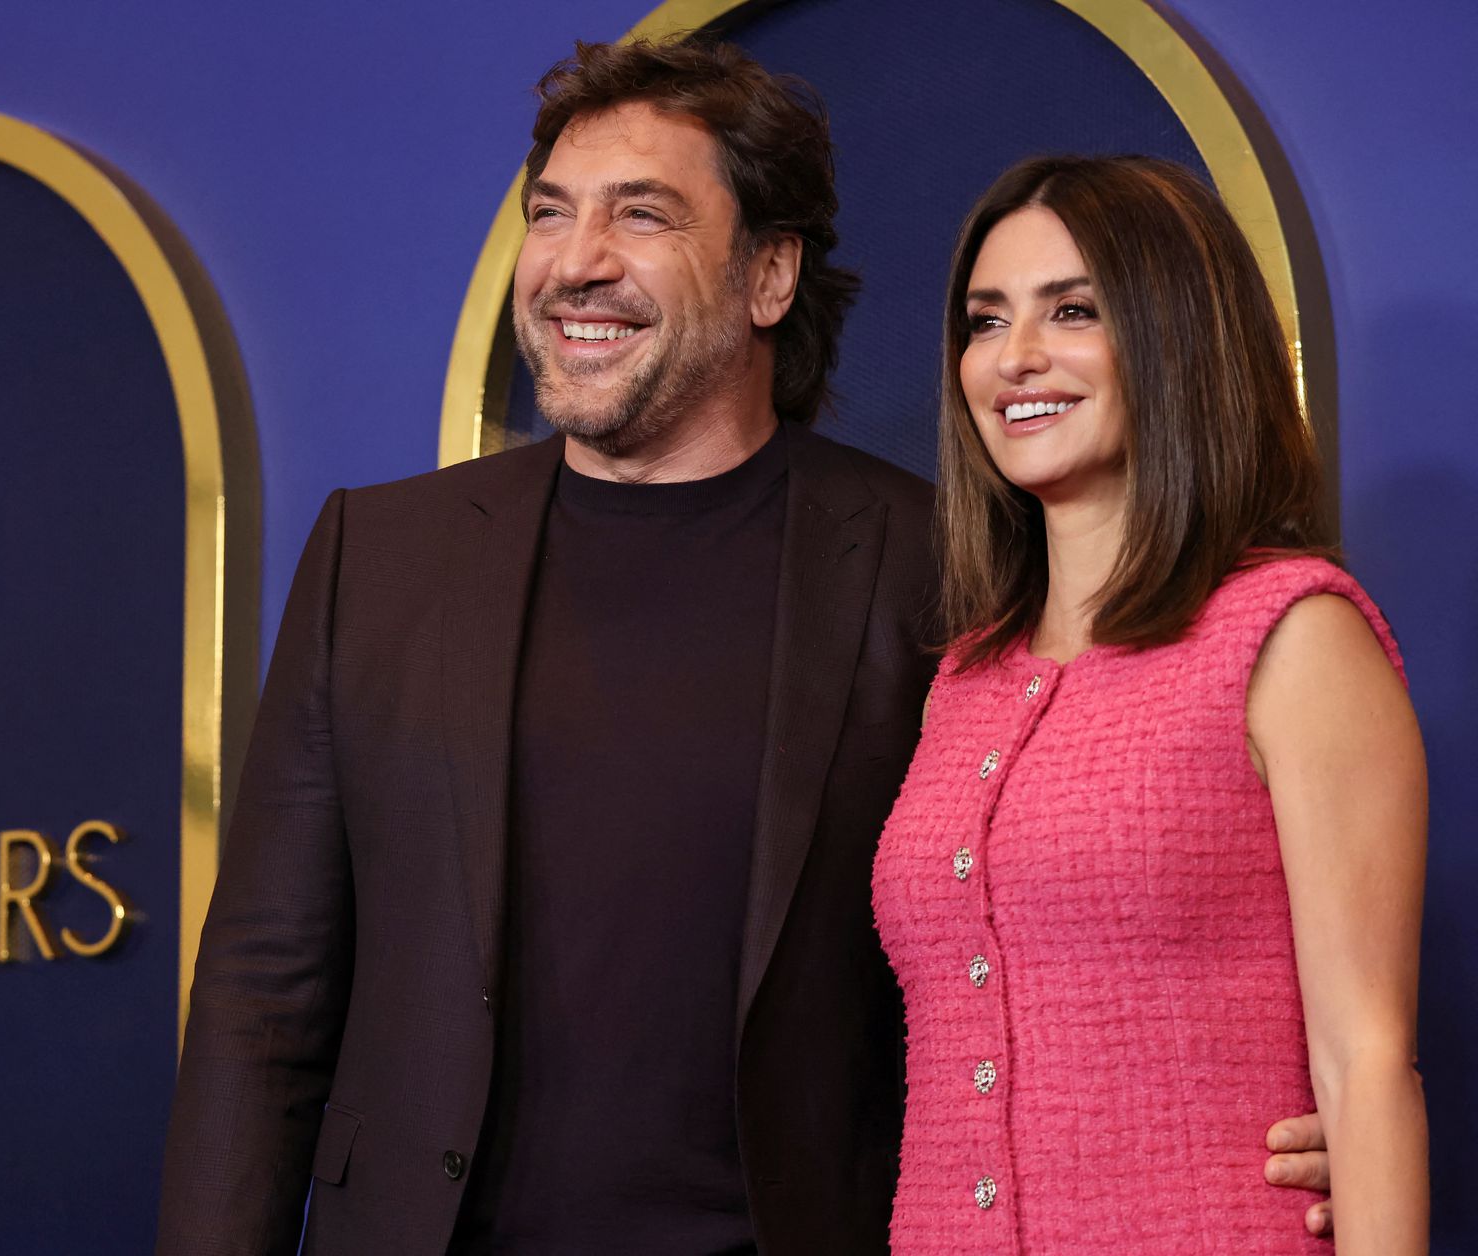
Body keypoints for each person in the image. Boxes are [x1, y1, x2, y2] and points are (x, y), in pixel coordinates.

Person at [156, 40, 1333, 1254]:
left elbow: (1059, 922)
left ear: (769, 275)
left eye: (642, 215)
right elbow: (263, 989)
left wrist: (1300, 1114)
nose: (575, 263)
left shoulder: (936, 565)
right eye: (551, 214)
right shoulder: (382, 556)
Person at [873, 154, 1428, 1253]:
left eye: (1072, 309)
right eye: (986, 321)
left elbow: (1363, 1063)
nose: (1014, 357)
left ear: (1179, 339)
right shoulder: (966, 675)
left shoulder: (1292, 632)